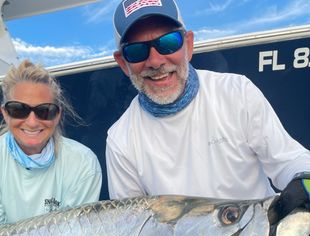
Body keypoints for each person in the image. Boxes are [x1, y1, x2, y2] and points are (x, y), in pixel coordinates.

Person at [106, 0, 310, 222]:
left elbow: (288, 161)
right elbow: (132, 225)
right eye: (136, 51)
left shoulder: (237, 92)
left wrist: (304, 182)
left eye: (168, 42)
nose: (155, 61)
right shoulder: (120, 140)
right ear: (123, 63)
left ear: (189, 45)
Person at [0, 60, 102, 224]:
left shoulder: (83, 163)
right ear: (5, 113)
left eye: (44, 111)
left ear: (57, 116)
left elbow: (76, 235)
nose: (32, 122)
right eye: (19, 109)